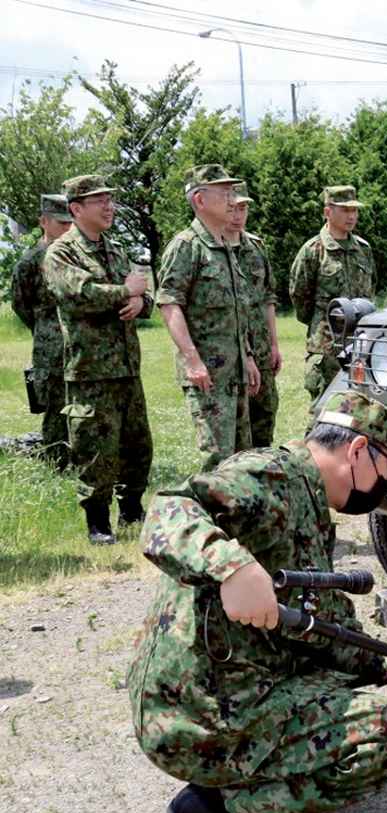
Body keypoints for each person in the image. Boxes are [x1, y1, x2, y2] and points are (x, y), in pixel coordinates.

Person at [128, 390, 387, 813]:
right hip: (196, 713)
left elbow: (322, 625)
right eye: (384, 474)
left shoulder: (307, 501)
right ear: (357, 451)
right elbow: (168, 511)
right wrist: (231, 566)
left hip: (229, 690)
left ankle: (230, 780)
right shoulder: (270, 477)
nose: (381, 489)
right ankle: (224, 809)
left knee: (347, 683)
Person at [42, 174, 154, 545]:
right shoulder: (61, 253)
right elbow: (77, 294)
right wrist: (126, 291)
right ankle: (98, 523)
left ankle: (133, 510)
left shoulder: (115, 249)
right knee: (95, 450)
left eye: (110, 199)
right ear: (75, 210)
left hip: (126, 368)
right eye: (98, 201)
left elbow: (143, 293)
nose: (109, 207)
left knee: (137, 444)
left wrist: (140, 302)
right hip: (91, 371)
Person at [157, 164, 261, 471]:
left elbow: (236, 311)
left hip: (236, 370)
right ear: (200, 200)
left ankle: (236, 518)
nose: (232, 201)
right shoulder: (186, 246)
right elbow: (169, 303)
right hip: (208, 377)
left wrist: (249, 357)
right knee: (218, 460)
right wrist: (192, 360)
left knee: (242, 458)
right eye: (224, 193)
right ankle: (212, 516)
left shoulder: (226, 246)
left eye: (232, 192)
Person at [289, 186, 377, 401]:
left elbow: (371, 288)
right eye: (345, 210)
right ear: (328, 212)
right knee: (323, 407)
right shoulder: (313, 250)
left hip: (360, 341)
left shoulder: (363, 249)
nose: (352, 216)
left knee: (360, 404)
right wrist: (323, 324)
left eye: (354, 210)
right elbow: (299, 295)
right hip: (326, 346)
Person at [11, 193, 74, 468]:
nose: (68, 229)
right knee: (56, 406)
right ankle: (57, 463)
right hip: (50, 348)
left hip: (82, 343)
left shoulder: (77, 255)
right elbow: (20, 304)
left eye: (71, 223)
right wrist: (45, 330)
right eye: (62, 223)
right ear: (43, 222)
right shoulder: (30, 261)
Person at [226, 182, 282, 447]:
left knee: (265, 419)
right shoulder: (214, 248)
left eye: (244, 208)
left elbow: (268, 297)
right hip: (230, 355)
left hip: (260, 351)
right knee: (237, 430)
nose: (238, 215)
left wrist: (274, 344)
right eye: (233, 208)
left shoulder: (256, 247)